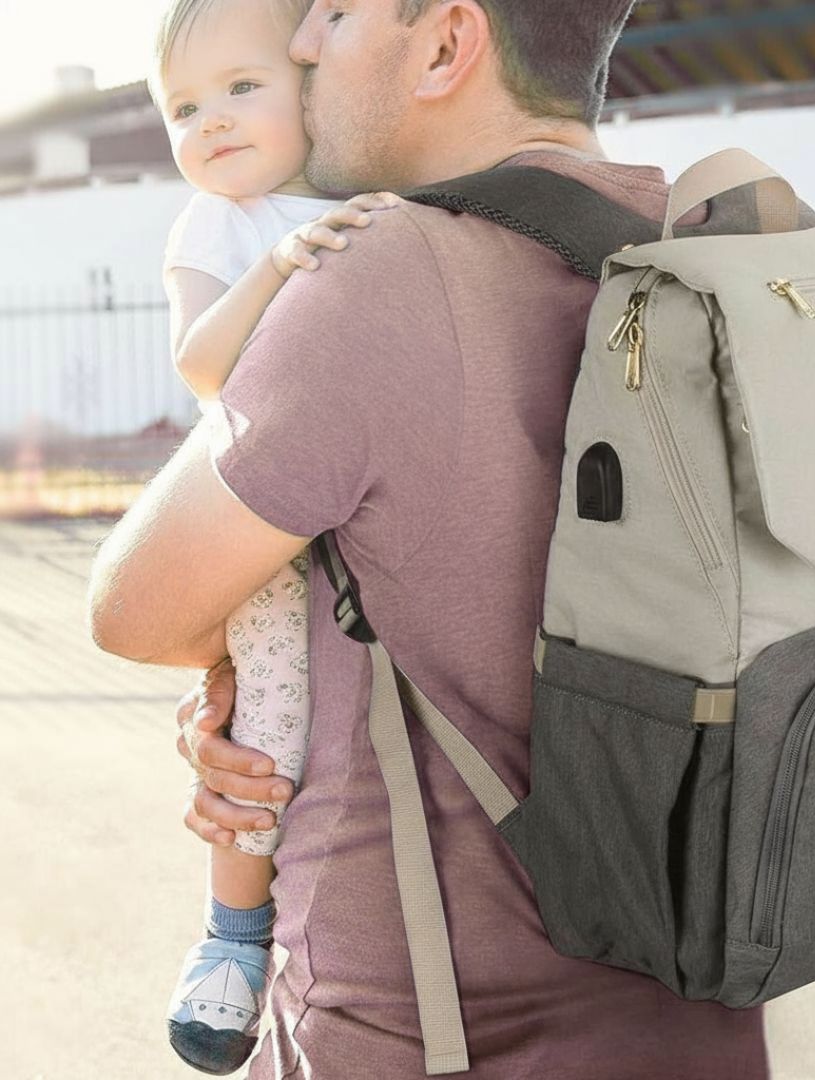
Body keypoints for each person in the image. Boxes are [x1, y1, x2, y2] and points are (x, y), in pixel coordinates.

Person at [88, 1, 771, 1075]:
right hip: (691, 1023)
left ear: (448, 44)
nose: (304, 44)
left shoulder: (368, 274)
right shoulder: (691, 245)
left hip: (427, 1034)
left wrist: (238, 673)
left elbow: (132, 606)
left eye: (338, 14)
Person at [148, 0, 401, 1071]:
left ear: (309, 84)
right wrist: (281, 264)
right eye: (183, 107)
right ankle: (234, 935)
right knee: (269, 726)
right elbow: (202, 367)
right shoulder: (223, 225)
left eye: (240, 87)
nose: (210, 122)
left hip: (359, 503)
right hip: (260, 521)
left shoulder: (360, 195)